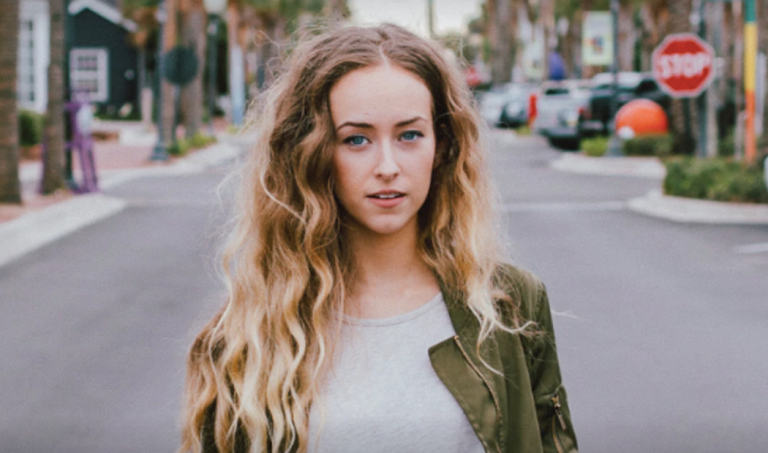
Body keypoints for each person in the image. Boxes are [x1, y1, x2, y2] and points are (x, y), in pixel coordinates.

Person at [180, 24, 577, 453]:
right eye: (356, 139)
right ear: (312, 152)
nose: (387, 165)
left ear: (441, 146)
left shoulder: (508, 305)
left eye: (409, 135)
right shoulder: (250, 333)